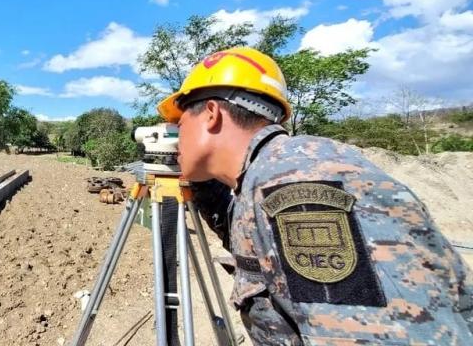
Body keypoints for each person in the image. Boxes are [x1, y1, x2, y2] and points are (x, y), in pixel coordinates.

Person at [157, 47, 473, 344]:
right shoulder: (273, 175)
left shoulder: (300, 187)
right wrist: (200, 181)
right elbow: (258, 247)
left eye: (179, 125)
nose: (175, 138)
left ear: (211, 113)